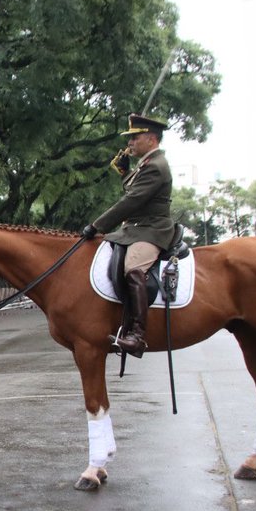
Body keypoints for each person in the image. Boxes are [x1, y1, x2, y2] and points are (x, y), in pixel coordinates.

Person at [82, 113, 175, 357]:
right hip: (135, 228)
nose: (130, 143)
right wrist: (125, 173)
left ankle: (137, 335)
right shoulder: (147, 163)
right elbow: (136, 190)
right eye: (130, 138)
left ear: (152, 139)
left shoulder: (156, 166)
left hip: (152, 229)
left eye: (135, 137)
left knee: (133, 267)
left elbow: (133, 200)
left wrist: (97, 225)